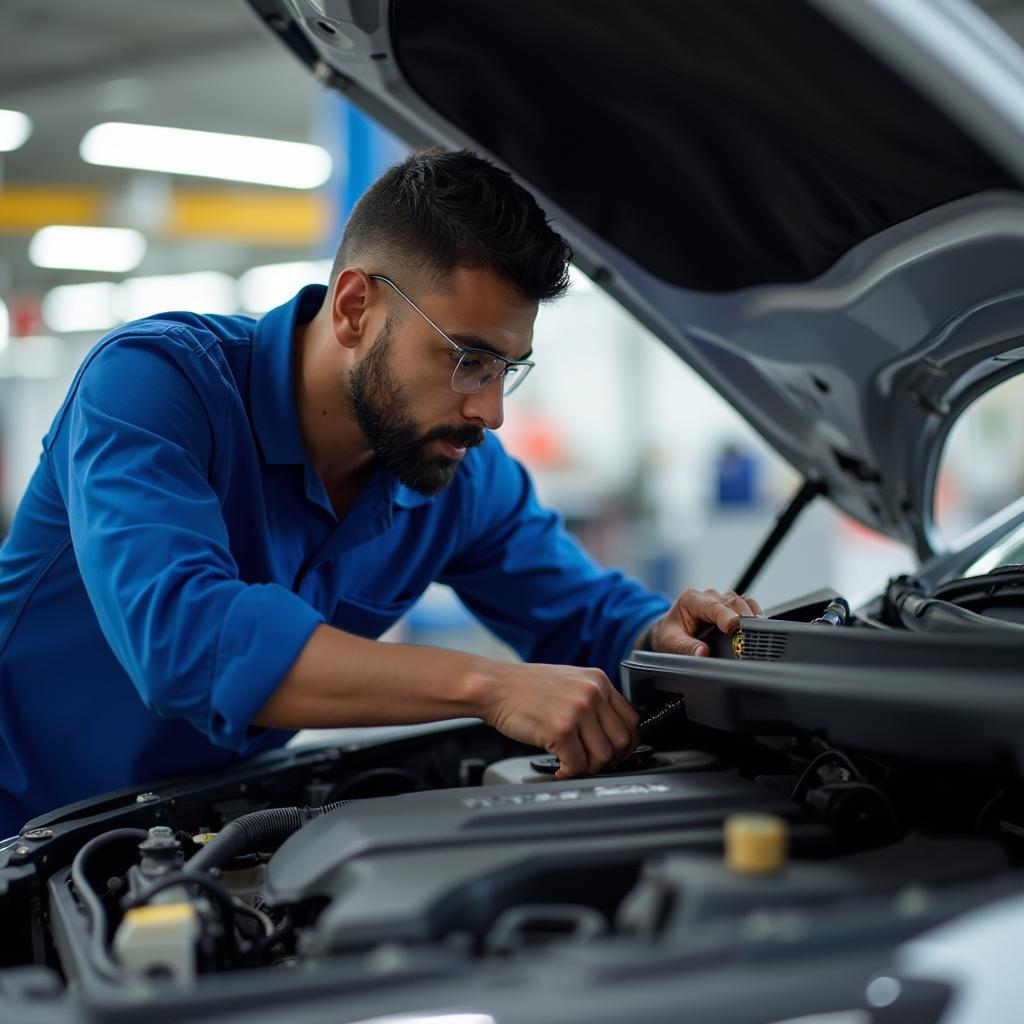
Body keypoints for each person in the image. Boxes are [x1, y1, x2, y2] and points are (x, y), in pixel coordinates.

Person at [0, 149, 761, 835]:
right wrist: (487, 685)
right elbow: (188, 639)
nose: (490, 412)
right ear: (355, 308)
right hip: (20, 831)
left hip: (182, 837)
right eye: (467, 358)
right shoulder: (154, 387)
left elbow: (582, 618)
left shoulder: (457, 475)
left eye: (506, 368)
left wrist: (663, 636)